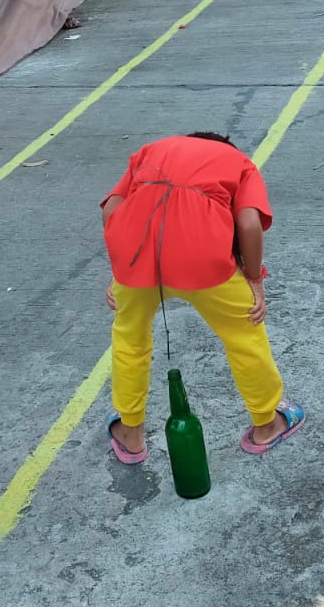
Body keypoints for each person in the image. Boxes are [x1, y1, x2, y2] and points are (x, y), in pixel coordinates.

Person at [101, 133, 305, 463]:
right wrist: (254, 280)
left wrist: (120, 268)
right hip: (205, 260)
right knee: (244, 334)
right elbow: (249, 224)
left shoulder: (150, 151)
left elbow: (112, 208)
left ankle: (131, 434)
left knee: (129, 338)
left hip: (136, 257)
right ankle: (267, 425)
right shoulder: (239, 163)